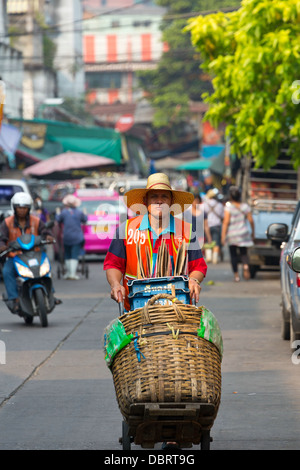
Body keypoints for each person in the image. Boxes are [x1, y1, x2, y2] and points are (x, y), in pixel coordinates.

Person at [104, 173, 208, 311]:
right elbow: (113, 264)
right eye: (154, 196)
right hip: (136, 309)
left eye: (164, 196)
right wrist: (115, 284)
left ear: (171, 201)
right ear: (145, 201)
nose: (159, 201)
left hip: (177, 309)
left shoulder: (186, 230)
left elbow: (198, 267)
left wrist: (193, 280)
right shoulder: (126, 229)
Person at [0, 192, 55, 313]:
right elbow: (2, 237)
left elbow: (45, 231)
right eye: (19, 207)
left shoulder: (36, 220)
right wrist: (3, 246)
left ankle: (51, 294)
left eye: (24, 207)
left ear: (28, 208)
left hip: (34, 254)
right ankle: (14, 299)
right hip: (15, 256)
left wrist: (49, 237)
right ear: (14, 208)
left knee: (46, 269)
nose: (22, 210)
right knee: (6, 271)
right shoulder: (7, 222)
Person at [221, 185, 255, 282]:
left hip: (232, 235)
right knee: (244, 253)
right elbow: (251, 221)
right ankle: (245, 266)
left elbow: (226, 222)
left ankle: (236, 275)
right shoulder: (245, 207)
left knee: (233, 255)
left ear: (231, 196)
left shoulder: (229, 208)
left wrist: (223, 236)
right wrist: (253, 233)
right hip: (243, 233)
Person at [55, 194, 87, 280]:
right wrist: (85, 213)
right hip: (77, 237)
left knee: (67, 254)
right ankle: (72, 274)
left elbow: (58, 219)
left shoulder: (64, 212)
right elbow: (85, 219)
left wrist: (58, 213)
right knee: (74, 255)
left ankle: (69, 273)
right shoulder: (79, 212)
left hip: (66, 237)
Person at [203, 188, 224, 264]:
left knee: (208, 240)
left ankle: (208, 257)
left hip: (207, 225)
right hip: (216, 225)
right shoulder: (219, 205)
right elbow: (222, 216)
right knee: (216, 242)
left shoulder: (204, 204)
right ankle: (215, 259)